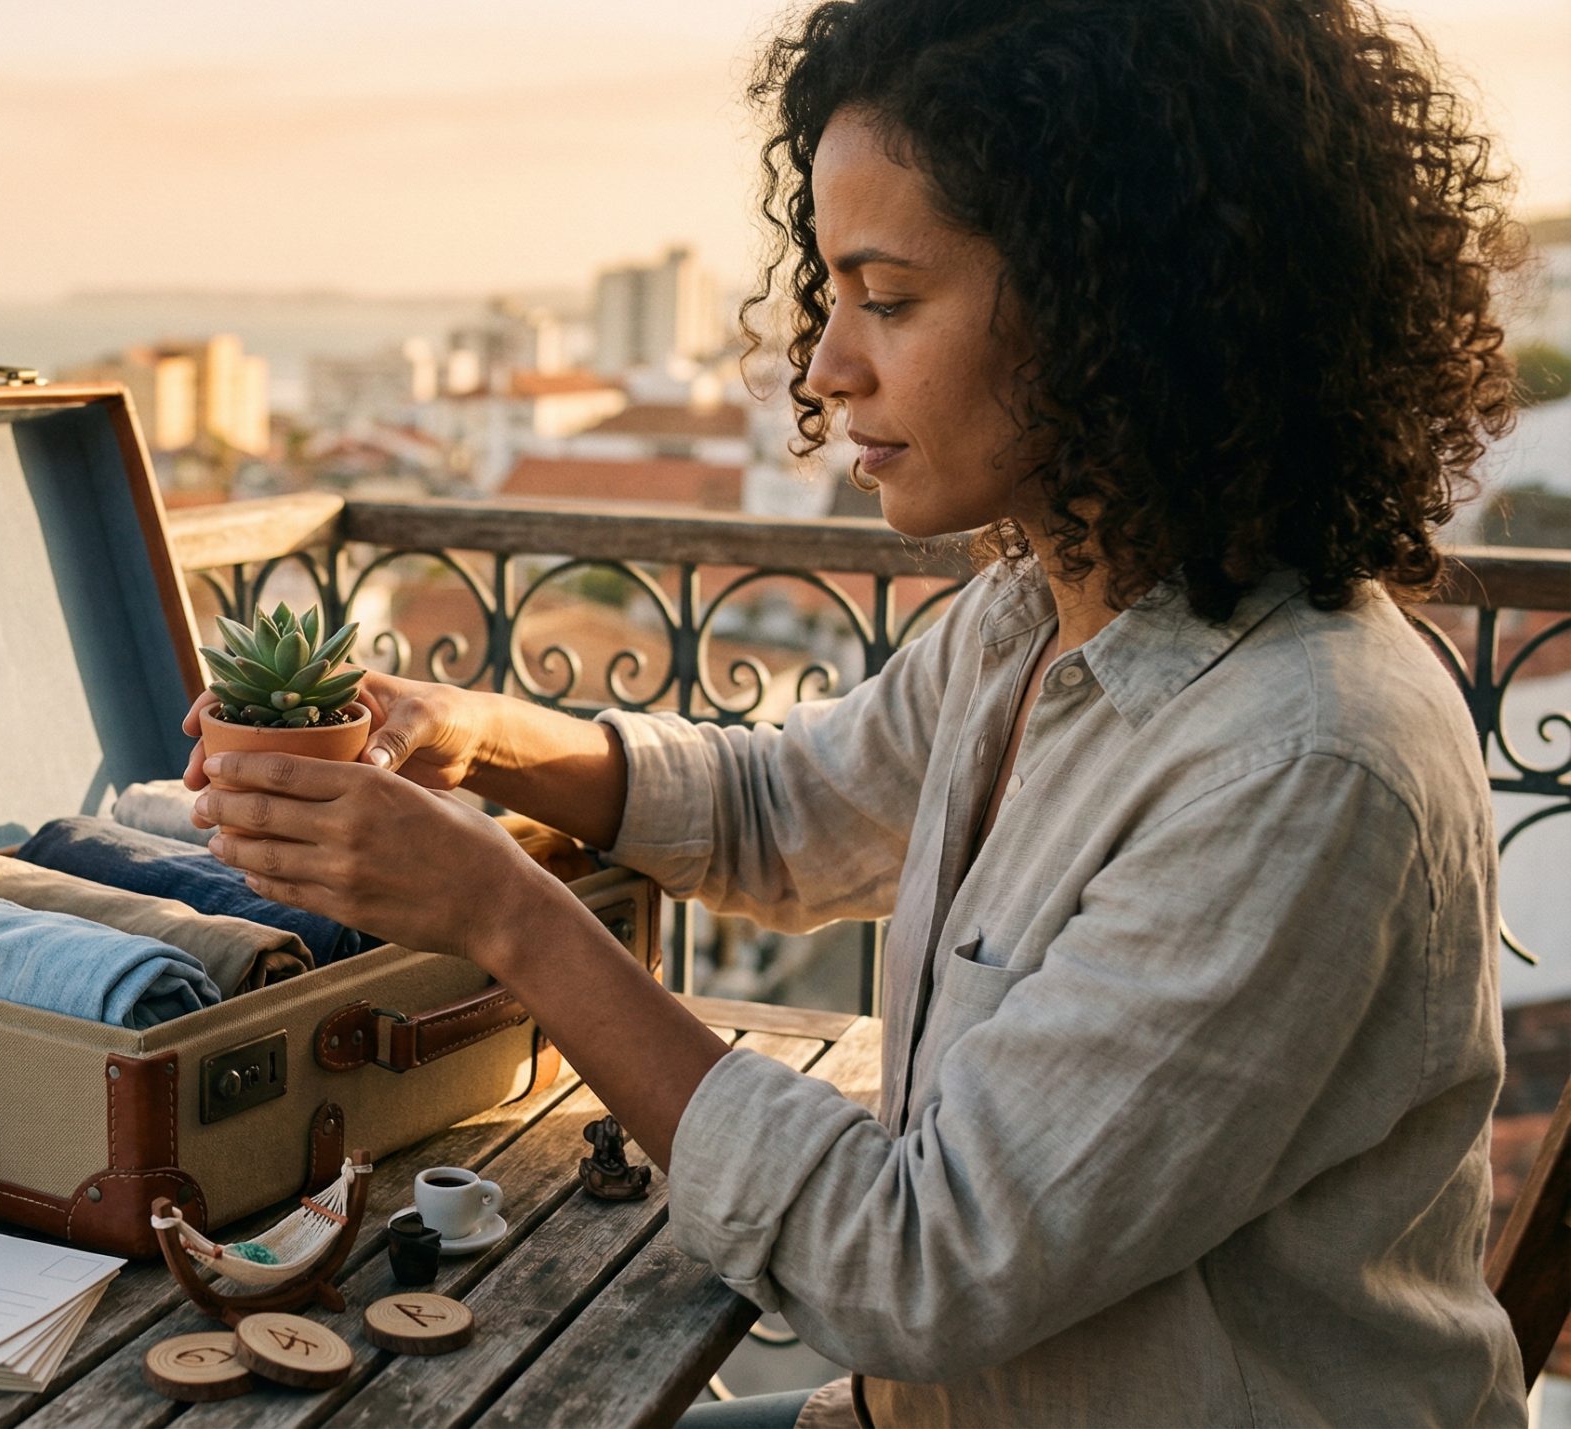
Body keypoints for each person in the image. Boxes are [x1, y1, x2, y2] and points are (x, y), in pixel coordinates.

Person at [182, 0, 1531, 1423]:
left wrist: (508, 917)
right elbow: (793, 813)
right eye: (831, 295)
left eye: (887, 300)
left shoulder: (1300, 761)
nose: (824, 366)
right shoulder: (1042, 613)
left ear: (1120, 309)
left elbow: (917, 1263)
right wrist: (483, 737)